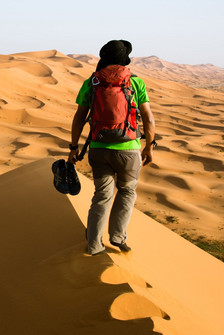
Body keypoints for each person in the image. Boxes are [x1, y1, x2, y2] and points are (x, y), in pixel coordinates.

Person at [68, 40, 156, 255]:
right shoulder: (135, 83)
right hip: (129, 149)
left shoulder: (92, 82)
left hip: (99, 148)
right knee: (126, 192)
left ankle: (94, 244)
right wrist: (149, 147)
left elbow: (79, 116)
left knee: (101, 196)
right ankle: (117, 237)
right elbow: (148, 118)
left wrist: (74, 146)